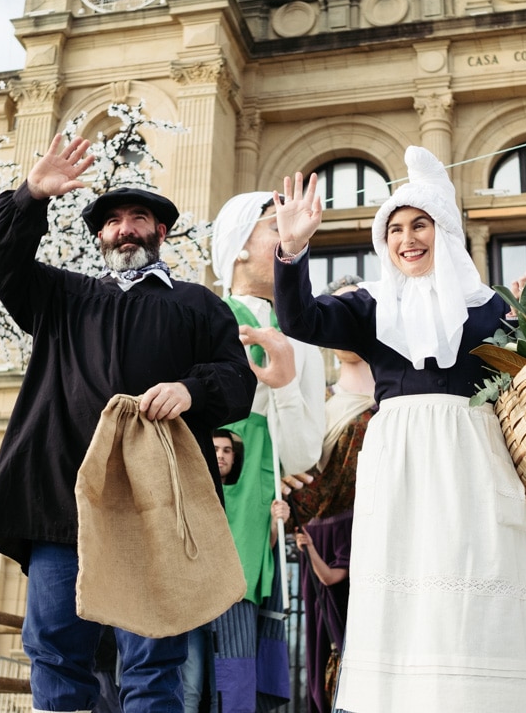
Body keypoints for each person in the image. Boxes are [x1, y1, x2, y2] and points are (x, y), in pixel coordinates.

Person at [0, 134, 256, 713]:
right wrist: (30, 195)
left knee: (154, 660)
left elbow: (239, 382)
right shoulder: (63, 296)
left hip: (157, 504)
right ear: (100, 236)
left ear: (161, 232)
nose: (125, 228)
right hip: (64, 502)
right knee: (54, 649)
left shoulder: (200, 305)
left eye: (139, 218)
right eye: (114, 221)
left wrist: (190, 390)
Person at [270, 146, 526, 711]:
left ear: (443, 228)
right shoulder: (373, 308)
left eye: (419, 223)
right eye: (394, 228)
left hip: (471, 460)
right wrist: (293, 249)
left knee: (469, 587)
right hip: (398, 461)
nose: (406, 238)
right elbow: (299, 319)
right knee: (403, 591)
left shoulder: (489, 307)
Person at [209, 192, 327, 713]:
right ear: (236, 247)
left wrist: (281, 382)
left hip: (263, 532)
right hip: (205, 524)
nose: (285, 234)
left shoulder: (302, 336)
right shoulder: (203, 317)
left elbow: (301, 455)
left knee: (250, 676)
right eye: (270, 227)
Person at [278, 277, 376, 713]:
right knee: (324, 666)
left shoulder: (397, 396)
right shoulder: (317, 399)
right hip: (325, 543)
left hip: (378, 546)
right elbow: (293, 472)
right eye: (332, 312)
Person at [180, 430, 242, 713]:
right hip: (192, 602)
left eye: (227, 450)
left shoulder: (246, 498)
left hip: (229, 605)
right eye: (215, 448)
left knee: (226, 688)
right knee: (191, 687)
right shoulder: (192, 491)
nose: (220, 454)